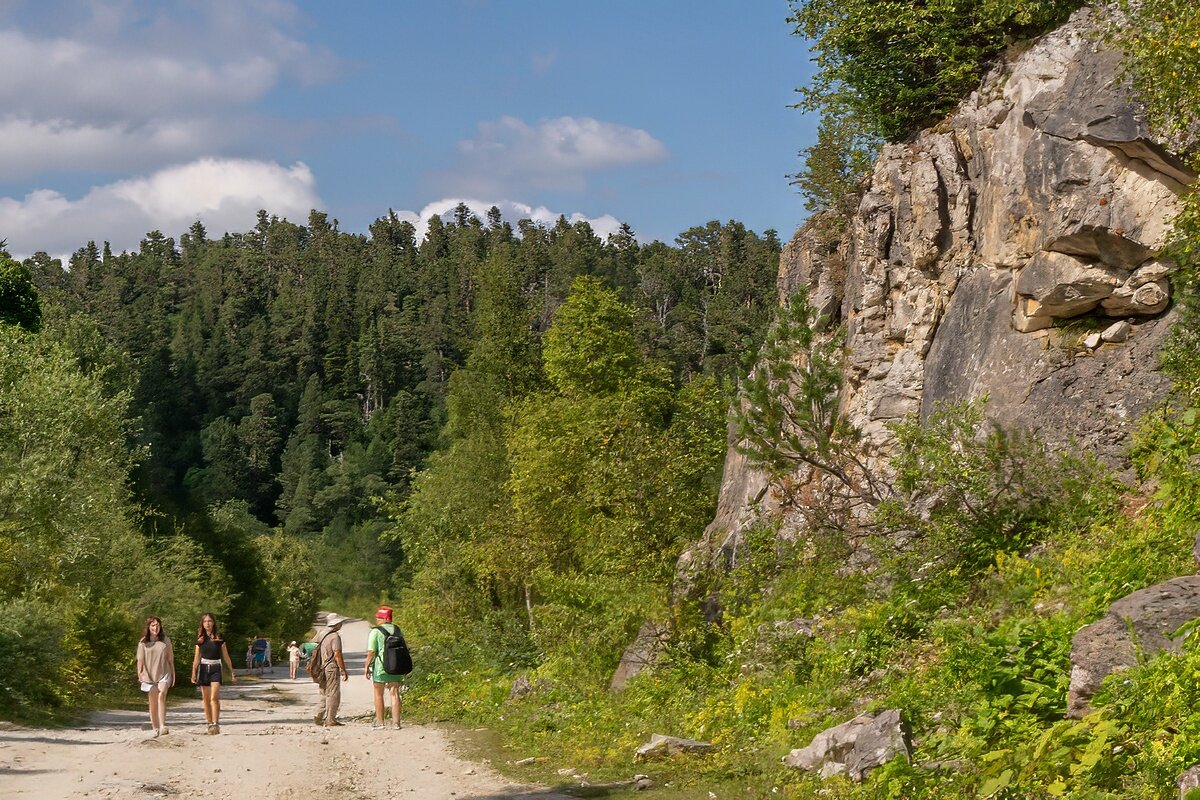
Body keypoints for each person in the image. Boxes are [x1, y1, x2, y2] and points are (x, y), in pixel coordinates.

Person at [191, 612, 237, 734]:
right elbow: (196, 658)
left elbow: (226, 656)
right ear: (202, 624)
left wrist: (232, 671)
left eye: (210, 621)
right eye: (205, 621)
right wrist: (193, 673)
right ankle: (209, 723)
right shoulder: (200, 640)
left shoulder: (219, 638)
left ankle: (216, 723)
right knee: (205, 698)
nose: (207, 624)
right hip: (204, 668)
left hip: (216, 667)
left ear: (213, 623)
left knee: (214, 697)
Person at [364, 605, 404, 730]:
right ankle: (396, 723)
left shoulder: (376, 631)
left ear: (383, 618)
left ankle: (380, 722)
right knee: (395, 693)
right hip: (396, 665)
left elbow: (371, 652)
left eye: (378, 618)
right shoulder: (397, 630)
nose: (377, 620)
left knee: (378, 693)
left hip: (381, 666)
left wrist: (366, 667)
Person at [135, 616, 175, 738]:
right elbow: (140, 660)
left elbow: (170, 659)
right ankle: (156, 728)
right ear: (148, 627)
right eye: (153, 625)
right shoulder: (143, 642)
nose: (155, 627)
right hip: (148, 675)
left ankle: (163, 725)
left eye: (157, 625)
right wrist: (140, 673)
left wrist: (173, 674)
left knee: (162, 693)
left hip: (164, 673)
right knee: (152, 702)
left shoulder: (165, 640)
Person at [313, 613, 348, 727]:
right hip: (331, 667)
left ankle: (319, 714)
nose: (341, 624)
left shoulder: (321, 633)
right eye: (340, 623)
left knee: (323, 691)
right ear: (336, 624)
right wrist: (343, 670)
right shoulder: (335, 636)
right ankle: (330, 719)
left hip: (321, 667)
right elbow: (337, 654)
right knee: (333, 693)